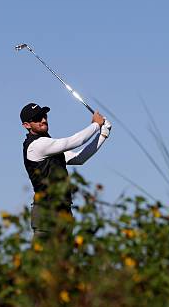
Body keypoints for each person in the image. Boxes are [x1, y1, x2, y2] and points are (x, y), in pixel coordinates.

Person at [20, 102, 111, 240]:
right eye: (37, 118)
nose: (43, 120)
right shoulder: (36, 145)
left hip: (64, 211)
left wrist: (103, 134)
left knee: (65, 260)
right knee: (44, 260)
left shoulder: (49, 146)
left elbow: (78, 158)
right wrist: (95, 125)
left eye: (44, 116)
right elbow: (72, 141)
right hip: (47, 213)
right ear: (27, 125)